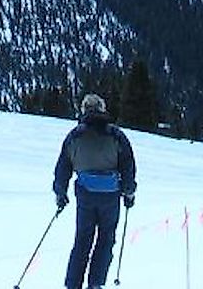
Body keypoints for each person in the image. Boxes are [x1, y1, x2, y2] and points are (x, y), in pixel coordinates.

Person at [53, 93, 138, 289]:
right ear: (102, 109)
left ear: (83, 110)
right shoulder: (116, 135)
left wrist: (60, 192)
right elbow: (127, 164)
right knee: (106, 239)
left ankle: (73, 284)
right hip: (111, 194)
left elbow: (63, 166)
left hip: (85, 194)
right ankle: (96, 283)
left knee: (82, 239)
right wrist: (128, 191)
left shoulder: (74, 136)